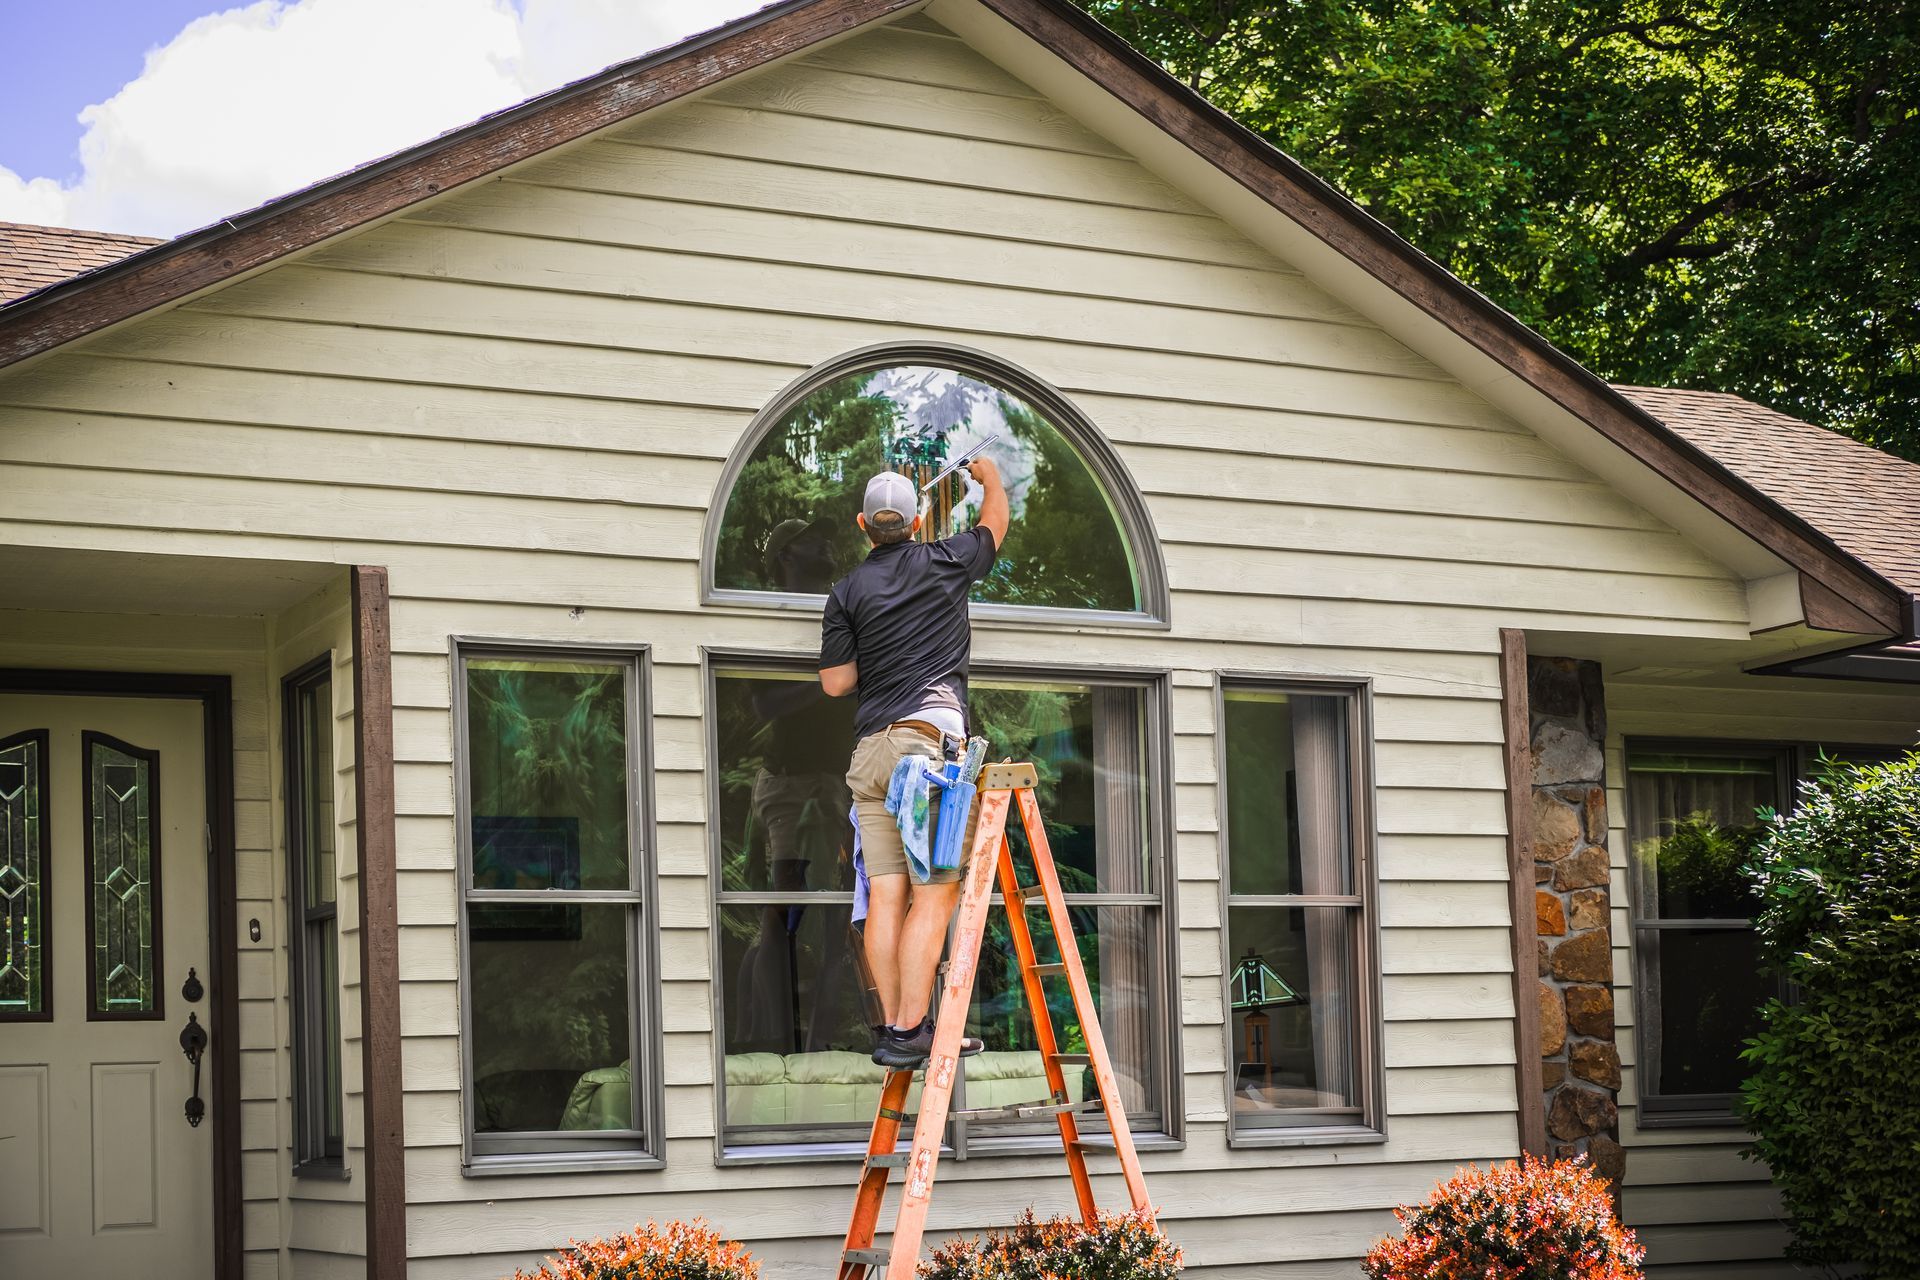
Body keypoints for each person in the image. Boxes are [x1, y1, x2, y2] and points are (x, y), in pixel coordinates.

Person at [818, 459, 1010, 1070]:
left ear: (863, 526)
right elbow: (995, 525)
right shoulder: (944, 560)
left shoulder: (846, 591)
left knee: (886, 901)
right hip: (926, 752)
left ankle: (892, 1033)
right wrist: (991, 479)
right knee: (935, 896)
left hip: (870, 757)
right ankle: (912, 1027)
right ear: (919, 520)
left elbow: (835, 682)